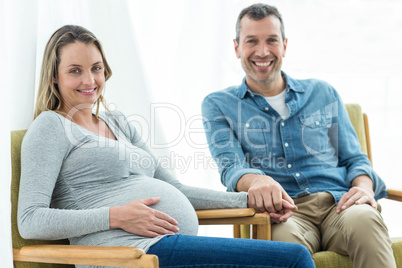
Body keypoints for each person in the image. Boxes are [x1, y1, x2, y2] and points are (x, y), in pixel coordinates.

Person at [17, 25, 314, 268]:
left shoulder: (117, 122)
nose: (89, 80)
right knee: (294, 259)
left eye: (96, 68)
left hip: (166, 249)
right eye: (74, 71)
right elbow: (30, 221)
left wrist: (248, 201)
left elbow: (178, 190)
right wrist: (116, 215)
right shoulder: (51, 126)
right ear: (54, 76)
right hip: (131, 255)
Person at [202, 3, 396, 268]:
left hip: (340, 206)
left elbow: (354, 158)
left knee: (365, 219)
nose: (263, 51)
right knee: (284, 246)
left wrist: (363, 187)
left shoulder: (323, 93)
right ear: (237, 48)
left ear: (284, 45)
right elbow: (231, 168)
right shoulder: (218, 104)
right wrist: (257, 182)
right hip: (284, 215)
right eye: (251, 41)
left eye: (272, 40)